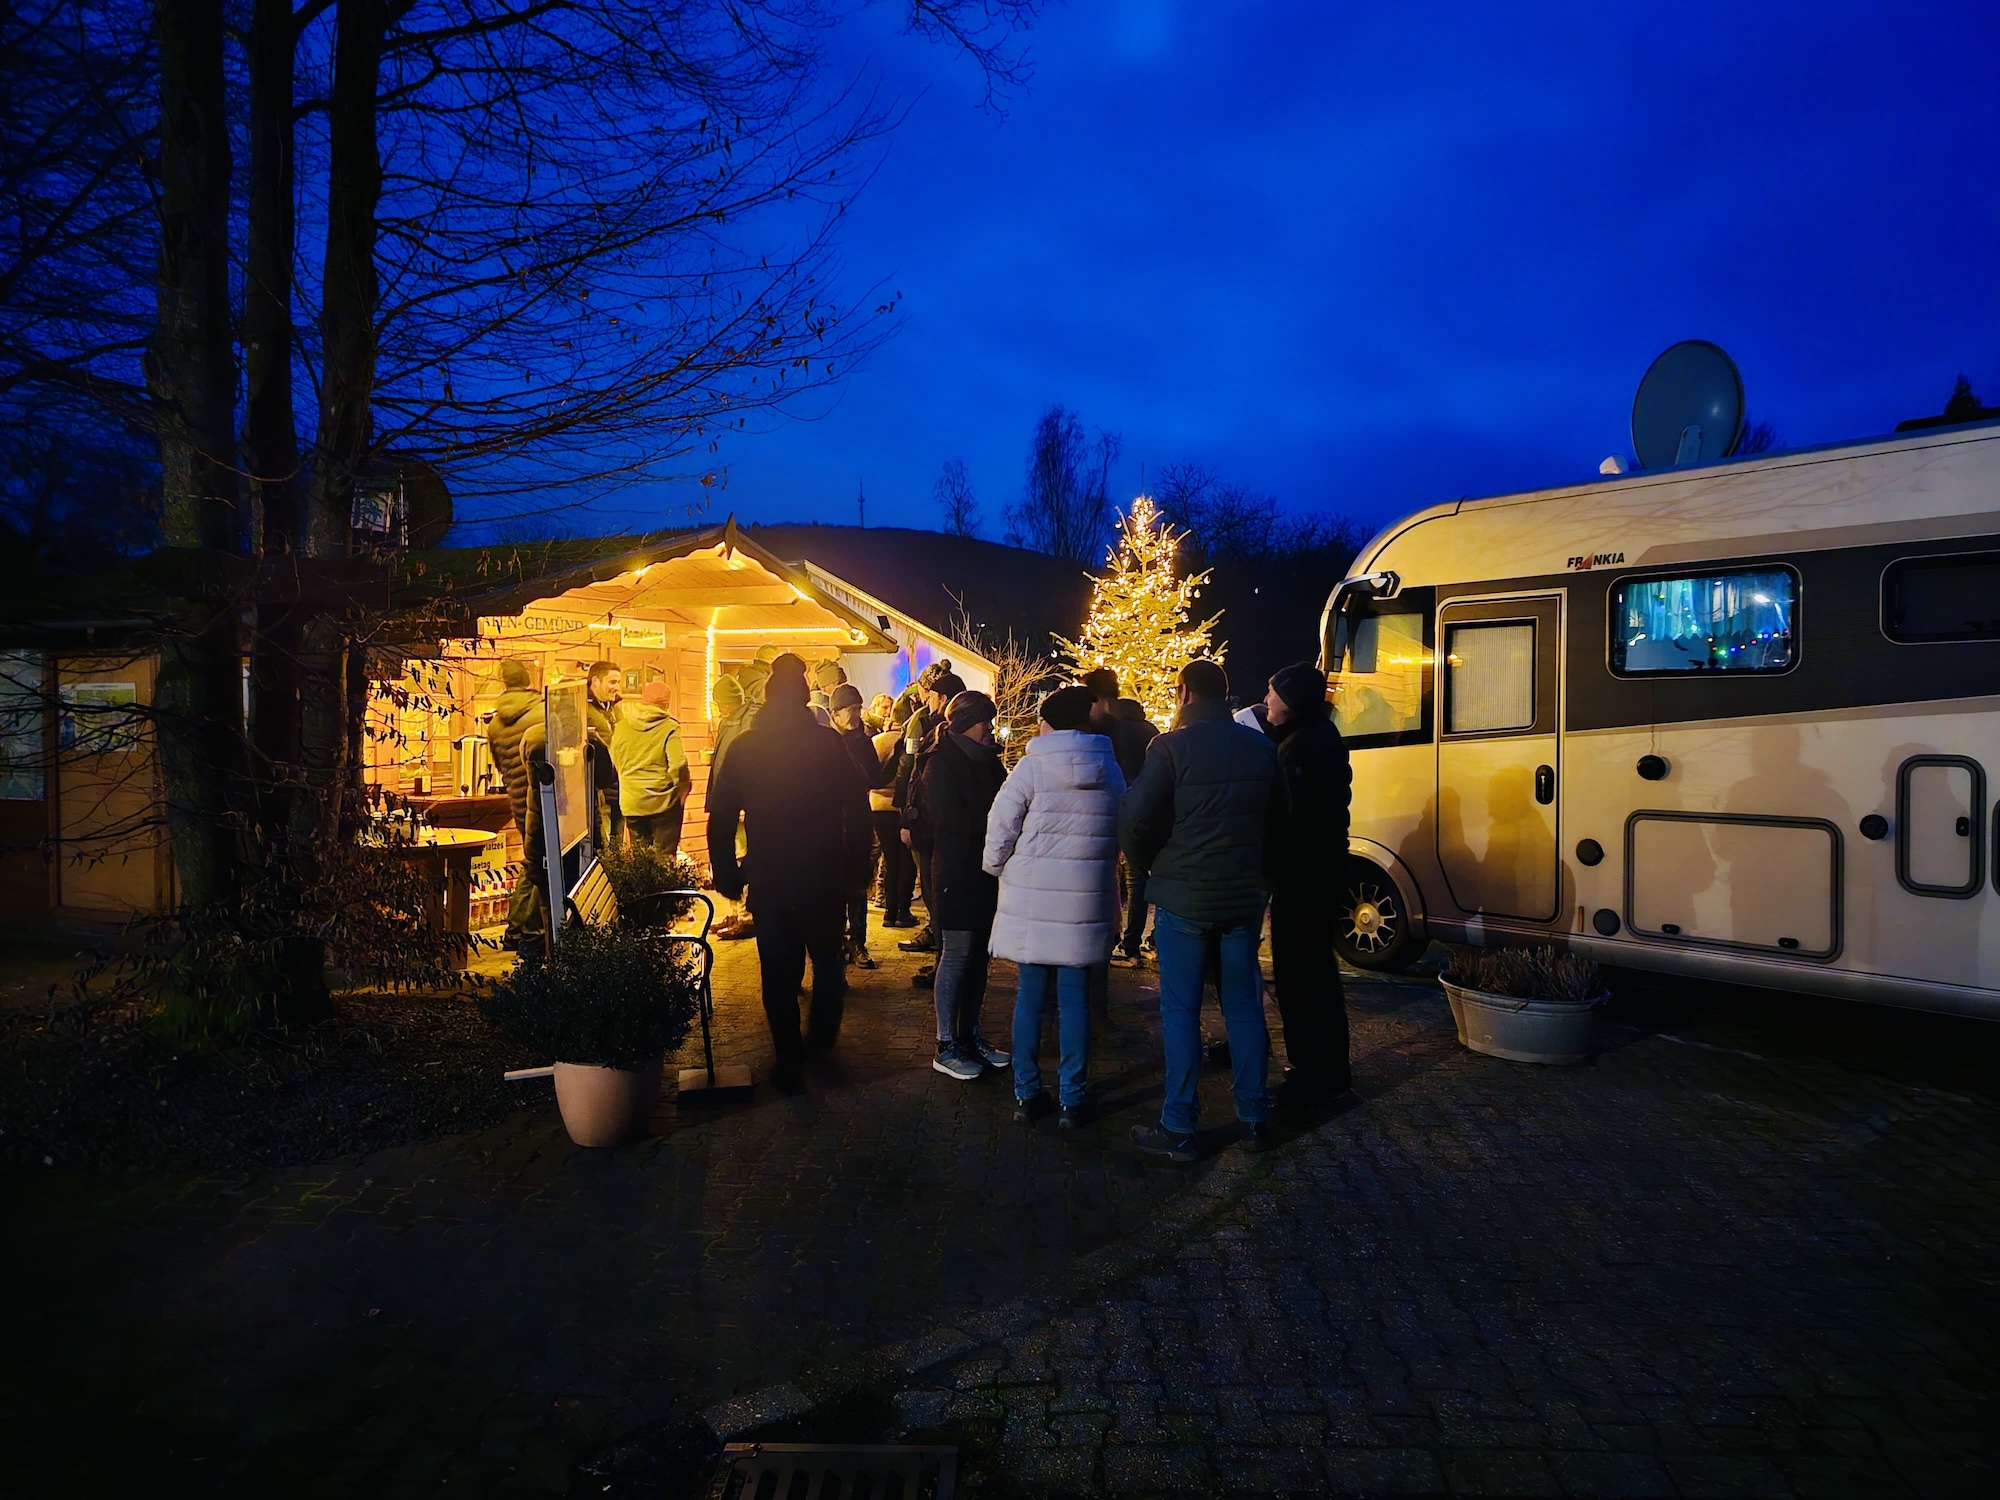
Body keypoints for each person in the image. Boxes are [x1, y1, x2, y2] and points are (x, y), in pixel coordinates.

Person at [1119, 659, 1290, 1160]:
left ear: (1184, 694)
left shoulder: (1170, 748)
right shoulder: (1262, 748)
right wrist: (1259, 879)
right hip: (1241, 898)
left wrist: (1153, 868)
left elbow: (1134, 821)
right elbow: (1280, 822)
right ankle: (1255, 1117)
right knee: (1243, 1007)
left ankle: (1179, 1124)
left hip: (1183, 896)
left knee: (1180, 1011)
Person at [706, 654, 871, 1094]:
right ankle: (820, 1040)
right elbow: (857, 809)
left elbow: (721, 817)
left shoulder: (746, 747)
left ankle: (789, 1057)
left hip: (771, 875)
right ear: (802, 698)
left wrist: (727, 871)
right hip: (823, 874)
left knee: (777, 973)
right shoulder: (828, 745)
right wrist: (858, 863)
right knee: (828, 962)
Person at [985, 684, 1126, 1127]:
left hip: (1033, 897)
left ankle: (1027, 1094)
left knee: (1030, 996)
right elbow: (1122, 826)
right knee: (1075, 1001)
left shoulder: (1032, 766)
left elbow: (1001, 824)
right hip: (1085, 898)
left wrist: (994, 866)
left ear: (1047, 722)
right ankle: (1073, 1097)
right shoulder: (1109, 765)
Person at [1261, 662, 1355, 1104]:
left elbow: (1286, 817)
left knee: (1300, 973)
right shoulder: (1316, 737)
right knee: (1316, 969)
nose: (1266, 702)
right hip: (1318, 869)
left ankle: (1313, 1071)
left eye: (1273, 693)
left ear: (1293, 700)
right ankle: (1325, 1066)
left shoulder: (1300, 748)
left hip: (1302, 875)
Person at [909, 689, 1009, 1078]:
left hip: (985, 871)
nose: (991, 729)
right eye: (986, 721)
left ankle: (970, 1036)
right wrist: (996, 830)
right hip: (954, 871)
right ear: (969, 723)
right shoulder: (941, 763)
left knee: (979, 957)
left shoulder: (988, 761)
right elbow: (950, 820)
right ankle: (946, 1043)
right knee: (957, 953)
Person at [896, 664, 967, 960]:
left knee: (932, 881)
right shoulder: (960, 728)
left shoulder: (932, 726)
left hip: (928, 819)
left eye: (931, 695)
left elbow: (910, 767)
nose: (927, 700)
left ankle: (939, 939)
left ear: (941, 696)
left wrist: (904, 812)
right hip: (944, 820)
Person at [831, 682, 901, 969]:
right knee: (834, 888)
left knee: (858, 888)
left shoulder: (864, 741)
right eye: (851, 709)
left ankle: (859, 944)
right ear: (836, 713)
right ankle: (836, 944)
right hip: (831, 821)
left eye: (858, 709)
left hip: (858, 819)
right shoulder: (825, 740)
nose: (856, 715)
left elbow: (873, 778)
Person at [487, 658, 549, 953]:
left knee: (531, 862)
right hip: (543, 799)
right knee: (542, 867)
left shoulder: (494, 724)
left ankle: (516, 929)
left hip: (517, 800)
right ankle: (530, 933)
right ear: (528, 679)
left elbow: (500, 764)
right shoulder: (542, 712)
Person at [611, 680, 691, 853]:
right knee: (663, 859)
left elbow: (614, 759)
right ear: (666, 703)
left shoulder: (622, 726)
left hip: (632, 803)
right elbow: (677, 764)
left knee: (641, 859)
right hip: (663, 804)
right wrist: (683, 787)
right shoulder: (669, 727)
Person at [585, 661, 624, 848]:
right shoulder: (584, 710)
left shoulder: (615, 709)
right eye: (612, 682)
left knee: (617, 849)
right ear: (595, 682)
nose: (616, 687)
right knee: (605, 850)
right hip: (599, 792)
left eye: (618, 682)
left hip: (621, 790)